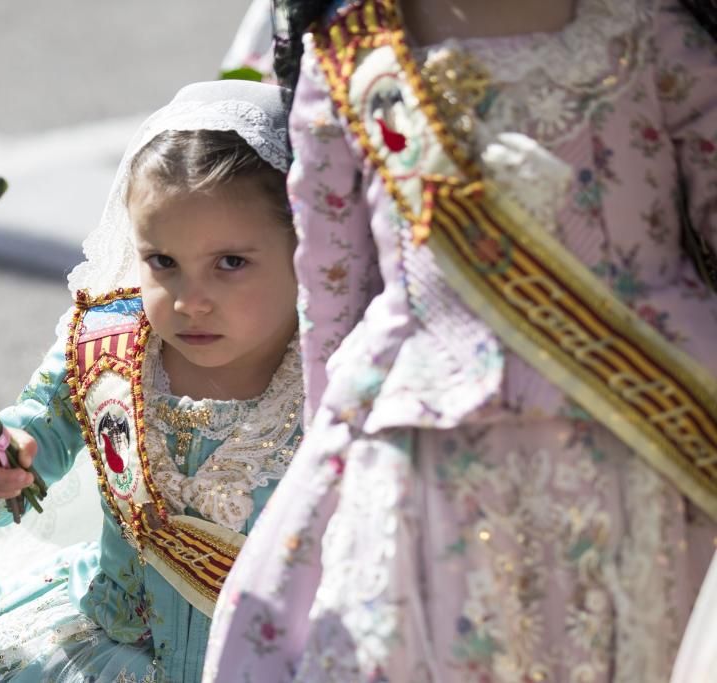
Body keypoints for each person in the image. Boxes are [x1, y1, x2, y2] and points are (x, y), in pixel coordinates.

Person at [203, 0, 717, 681]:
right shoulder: (354, 51)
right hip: (430, 453)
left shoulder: (646, 28)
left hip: (650, 433)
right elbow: (332, 286)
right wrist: (329, 461)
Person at [0, 79, 302, 683]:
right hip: (103, 648)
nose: (191, 300)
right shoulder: (107, 343)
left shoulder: (339, 379)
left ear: (306, 250)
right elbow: (31, 437)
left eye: (231, 263)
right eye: (163, 262)